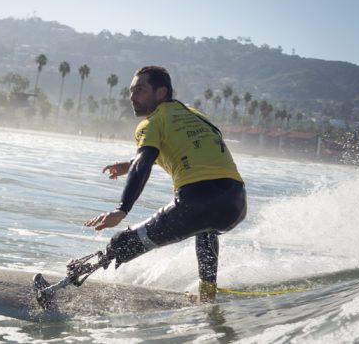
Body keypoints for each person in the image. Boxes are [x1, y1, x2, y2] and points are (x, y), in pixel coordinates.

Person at [83, 66, 247, 303]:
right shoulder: (194, 114)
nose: (132, 96)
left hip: (196, 201)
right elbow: (187, 147)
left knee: (121, 243)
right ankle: (207, 294)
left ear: (161, 93)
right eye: (131, 91)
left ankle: (64, 285)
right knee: (206, 229)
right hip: (235, 202)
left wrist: (122, 209)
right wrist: (130, 163)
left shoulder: (151, 123)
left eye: (140, 90)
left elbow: (145, 163)